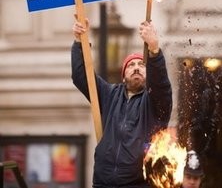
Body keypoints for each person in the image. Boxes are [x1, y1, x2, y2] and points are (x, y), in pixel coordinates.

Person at [71, 18, 172, 188]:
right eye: (131, 65)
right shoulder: (109, 94)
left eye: (141, 64)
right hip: (103, 183)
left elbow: (161, 85)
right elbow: (81, 76)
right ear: (123, 75)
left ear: (149, 74)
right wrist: (79, 42)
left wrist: (154, 50)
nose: (137, 68)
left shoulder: (154, 102)